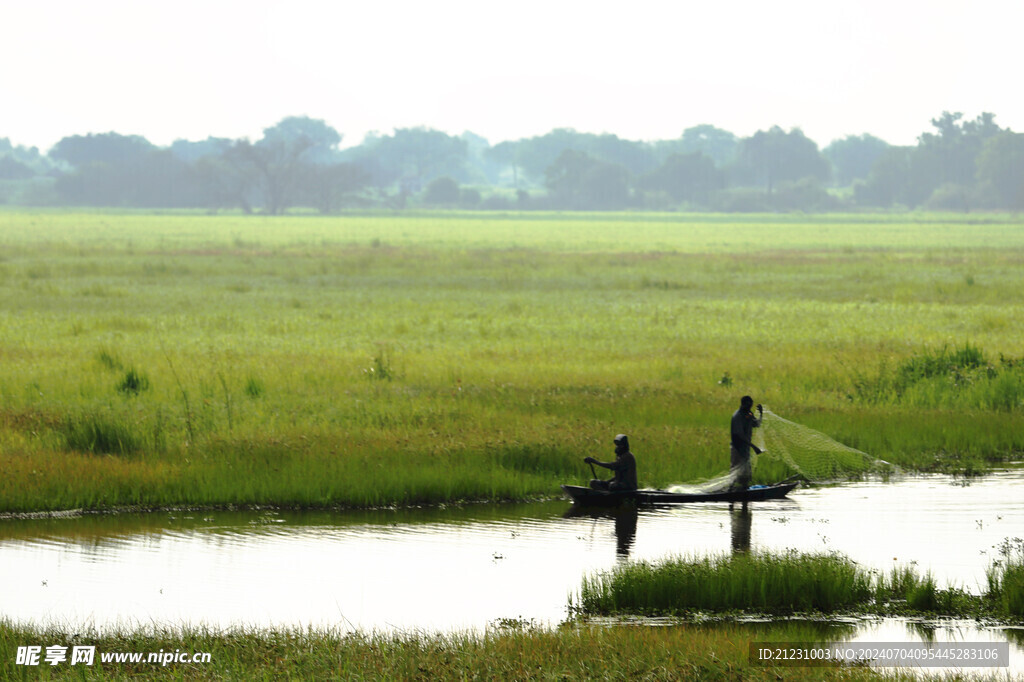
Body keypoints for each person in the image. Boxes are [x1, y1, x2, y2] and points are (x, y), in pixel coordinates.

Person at [730, 396, 763, 491]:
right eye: (748, 405)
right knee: (735, 470)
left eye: (751, 406)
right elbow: (740, 434)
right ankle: (730, 491)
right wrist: (754, 447)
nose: (749, 407)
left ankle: (744, 492)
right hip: (737, 448)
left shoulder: (748, 414)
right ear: (743, 404)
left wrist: (761, 413)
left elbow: (757, 424)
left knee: (746, 473)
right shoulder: (737, 416)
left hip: (746, 448)